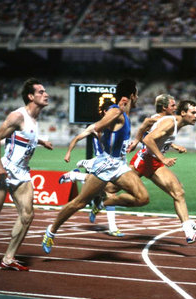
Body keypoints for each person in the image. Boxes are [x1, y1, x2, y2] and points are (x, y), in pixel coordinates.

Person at [42, 79, 150, 254]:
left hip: (120, 165)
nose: (137, 97)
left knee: (143, 198)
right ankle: (51, 230)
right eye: (136, 94)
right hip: (106, 165)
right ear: (131, 95)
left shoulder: (124, 114)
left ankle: (102, 202)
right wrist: (99, 130)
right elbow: (98, 126)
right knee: (79, 202)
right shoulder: (116, 111)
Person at [0, 78, 53, 271]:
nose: (46, 94)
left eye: (45, 91)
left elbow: (26, 135)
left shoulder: (34, 119)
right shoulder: (18, 116)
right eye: (41, 92)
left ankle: (8, 258)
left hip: (22, 174)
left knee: (27, 215)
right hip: (6, 170)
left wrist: (41, 142)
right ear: (31, 96)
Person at [58, 98, 146, 237]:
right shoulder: (96, 126)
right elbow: (77, 138)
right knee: (106, 192)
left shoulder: (118, 123)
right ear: (106, 112)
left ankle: (96, 202)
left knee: (108, 190)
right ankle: (112, 226)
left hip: (116, 162)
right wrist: (68, 152)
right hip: (100, 161)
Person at [129, 99, 196, 243]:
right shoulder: (171, 122)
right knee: (111, 186)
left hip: (153, 161)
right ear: (183, 113)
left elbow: (157, 133)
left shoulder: (175, 123)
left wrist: (173, 145)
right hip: (145, 160)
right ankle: (82, 177)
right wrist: (162, 158)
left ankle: (188, 229)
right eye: (193, 112)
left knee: (178, 191)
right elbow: (148, 139)